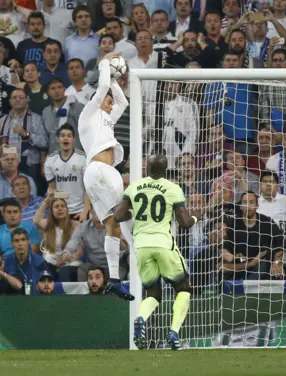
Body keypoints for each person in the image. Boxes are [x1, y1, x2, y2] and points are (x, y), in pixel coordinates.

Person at [114, 154, 197, 351]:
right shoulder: (172, 188)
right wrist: (196, 217)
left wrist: (134, 212)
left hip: (141, 246)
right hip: (163, 244)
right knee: (183, 288)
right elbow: (184, 223)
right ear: (166, 171)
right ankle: (174, 333)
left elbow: (118, 215)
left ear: (147, 170)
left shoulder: (134, 187)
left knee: (153, 291)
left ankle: (141, 318)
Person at [77, 51, 133, 301]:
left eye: (109, 102)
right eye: (106, 101)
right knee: (127, 219)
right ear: (97, 101)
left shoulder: (108, 120)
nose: (110, 104)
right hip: (100, 170)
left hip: (99, 174)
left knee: (113, 227)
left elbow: (123, 103)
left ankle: (114, 279)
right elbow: (100, 90)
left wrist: (114, 79)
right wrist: (105, 62)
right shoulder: (88, 115)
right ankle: (140, 257)